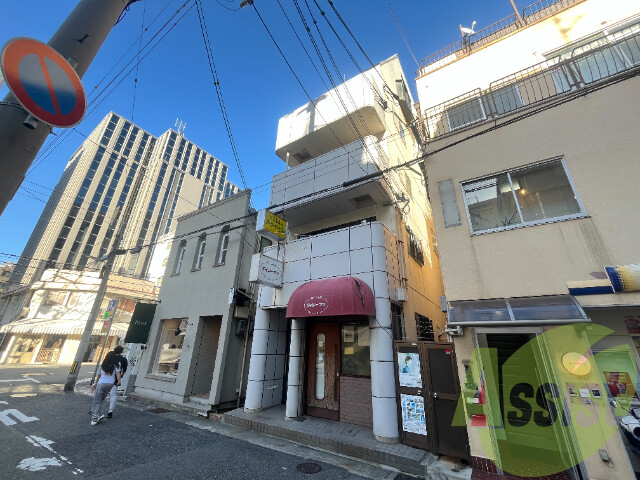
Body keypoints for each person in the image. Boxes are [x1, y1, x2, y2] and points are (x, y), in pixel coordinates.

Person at [90, 350, 121, 425]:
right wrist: (119, 381)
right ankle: (100, 414)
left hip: (101, 383)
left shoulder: (103, 365)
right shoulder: (116, 365)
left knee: (96, 400)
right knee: (103, 399)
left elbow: (99, 375)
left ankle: (94, 418)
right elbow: (118, 374)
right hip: (110, 384)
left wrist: (95, 383)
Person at [107, 345, 128, 418]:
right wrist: (121, 376)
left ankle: (95, 409)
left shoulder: (110, 357)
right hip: (115, 379)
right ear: (121, 352)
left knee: (101, 394)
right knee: (113, 395)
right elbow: (124, 369)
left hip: (106, 378)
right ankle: (110, 411)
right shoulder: (123, 359)